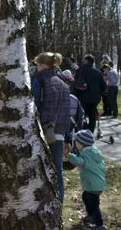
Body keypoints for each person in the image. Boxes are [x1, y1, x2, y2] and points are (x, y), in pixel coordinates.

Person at [31, 52, 70, 203]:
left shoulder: (39, 81)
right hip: (59, 132)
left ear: (41, 65)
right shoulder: (63, 84)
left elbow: (34, 107)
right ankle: (59, 201)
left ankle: (40, 200)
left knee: (38, 169)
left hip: (42, 130)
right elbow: (67, 112)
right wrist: (67, 136)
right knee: (57, 170)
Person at [65, 130, 107, 230]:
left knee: (94, 204)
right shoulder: (94, 152)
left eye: (76, 142)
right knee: (86, 197)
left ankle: (99, 224)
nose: (75, 144)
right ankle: (91, 216)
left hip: (93, 185)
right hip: (96, 184)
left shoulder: (87, 154)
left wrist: (69, 155)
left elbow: (81, 163)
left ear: (81, 144)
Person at [75, 54, 107, 133]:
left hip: (82, 96)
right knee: (92, 115)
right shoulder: (98, 72)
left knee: (82, 115)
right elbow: (103, 86)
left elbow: (75, 84)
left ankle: (82, 130)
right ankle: (91, 131)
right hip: (95, 98)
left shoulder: (80, 70)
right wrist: (100, 94)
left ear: (86, 60)